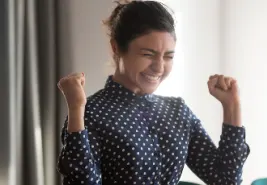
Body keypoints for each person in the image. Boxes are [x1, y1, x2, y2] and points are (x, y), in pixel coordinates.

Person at [56, 1, 250, 184]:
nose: (159, 67)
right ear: (116, 48)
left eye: (168, 56)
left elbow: (226, 180)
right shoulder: (91, 113)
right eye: (147, 54)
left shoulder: (178, 111)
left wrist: (232, 106)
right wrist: (76, 109)